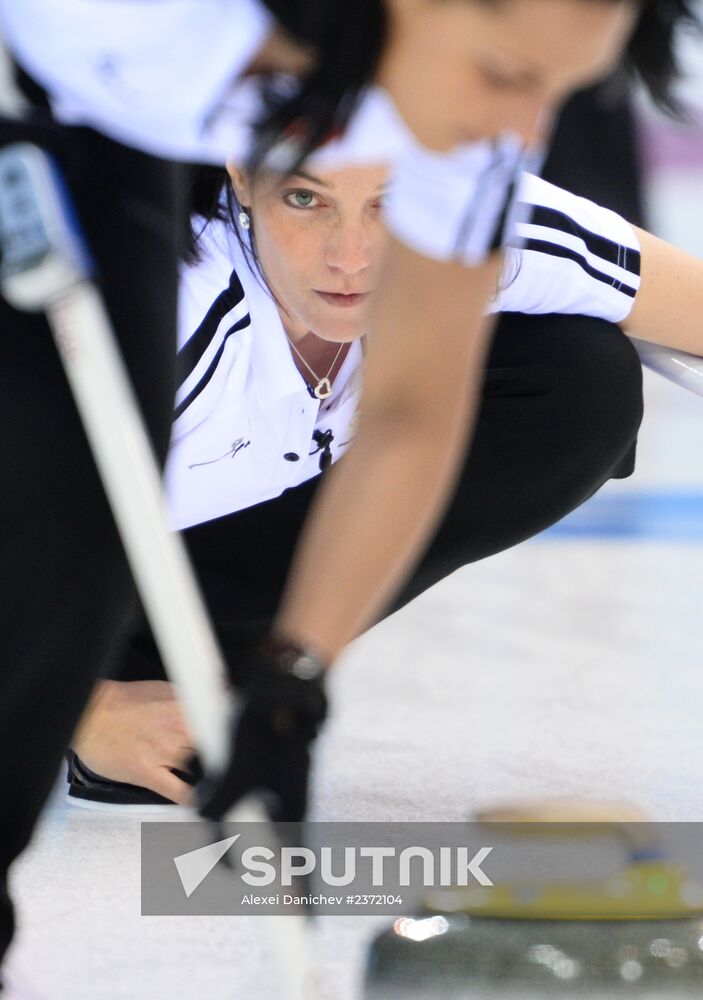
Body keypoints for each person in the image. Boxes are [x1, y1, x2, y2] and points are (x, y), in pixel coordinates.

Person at [0, 0, 694, 987]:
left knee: (578, 377)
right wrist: (85, 709)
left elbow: (413, 418)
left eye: (558, 93)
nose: (526, 129)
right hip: (69, 126)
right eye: (507, 75)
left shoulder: (454, 140)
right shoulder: (124, 38)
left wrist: (291, 681)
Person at [66, 154, 703, 810]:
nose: (350, 257)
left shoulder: (471, 222)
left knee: (577, 376)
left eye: (389, 203)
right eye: (306, 202)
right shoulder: (160, 315)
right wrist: (87, 714)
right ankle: (94, 686)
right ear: (241, 176)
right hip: (56, 580)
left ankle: (177, 674)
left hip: (194, 560)